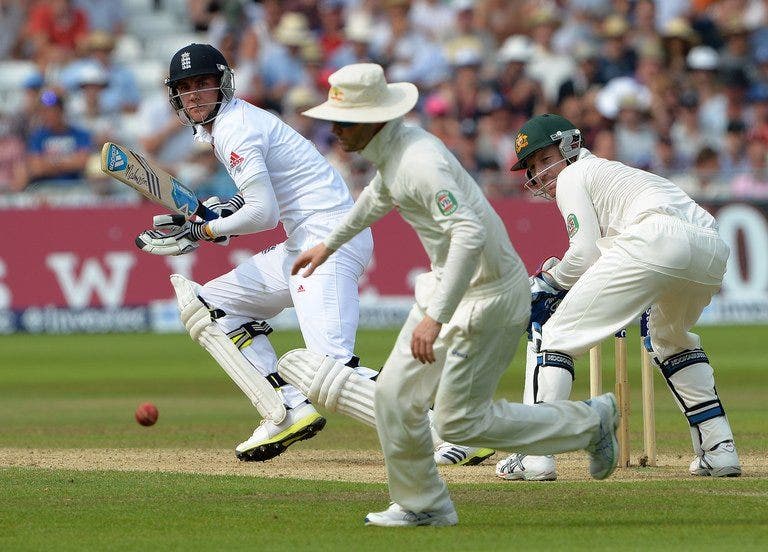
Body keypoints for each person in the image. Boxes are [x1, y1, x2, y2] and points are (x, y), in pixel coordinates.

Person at [276, 64, 621, 527]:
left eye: (343, 120)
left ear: (373, 118)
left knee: (461, 423)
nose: (334, 130)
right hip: (448, 285)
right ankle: (424, 504)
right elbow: (378, 196)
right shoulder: (393, 150)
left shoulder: (421, 161)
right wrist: (329, 245)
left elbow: (469, 233)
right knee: (393, 397)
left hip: (491, 295)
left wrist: (434, 317)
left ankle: (591, 421)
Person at [137, 44, 482, 466]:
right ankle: (285, 408)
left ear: (221, 84)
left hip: (327, 240)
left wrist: (206, 228)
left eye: (202, 84)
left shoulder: (234, 128)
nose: (194, 95)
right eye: (185, 88)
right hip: (304, 240)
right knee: (211, 305)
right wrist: (217, 216)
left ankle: (452, 430)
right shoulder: (230, 125)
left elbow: (262, 214)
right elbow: (264, 202)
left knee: (328, 367)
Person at [496, 113, 741, 481]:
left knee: (557, 336)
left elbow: (584, 254)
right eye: (532, 167)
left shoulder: (574, 175)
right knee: (670, 340)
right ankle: (719, 450)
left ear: (570, 145)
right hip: (710, 248)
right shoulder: (615, 172)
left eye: (545, 160)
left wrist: (548, 282)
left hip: (654, 238)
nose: (540, 174)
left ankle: (536, 455)